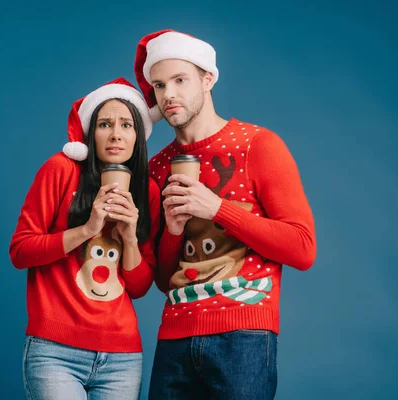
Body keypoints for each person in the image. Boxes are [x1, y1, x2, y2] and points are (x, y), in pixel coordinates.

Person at [133, 29, 317, 399]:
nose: (168, 94)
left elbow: (302, 248)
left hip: (244, 336)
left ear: (207, 78)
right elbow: (166, 279)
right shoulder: (155, 167)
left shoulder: (257, 145)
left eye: (180, 80)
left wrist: (217, 208)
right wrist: (172, 231)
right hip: (174, 336)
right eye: (158, 85)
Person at [9, 77, 161, 400]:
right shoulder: (61, 170)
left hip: (121, 356)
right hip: (55, 351)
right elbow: (20, 251)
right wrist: (87, 230)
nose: (116, 134)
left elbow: (139, 286)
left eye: (126, 125)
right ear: (91, 133)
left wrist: (130, 239)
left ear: (138, 136)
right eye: (105, 124)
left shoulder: (147, 193)